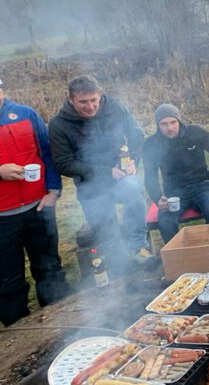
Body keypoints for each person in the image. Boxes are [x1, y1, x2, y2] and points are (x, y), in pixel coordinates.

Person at [48, 75, 154, 270]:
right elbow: (64, 163)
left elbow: (136, 135)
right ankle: (120, 264)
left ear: (100, 95)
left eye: (93, 100)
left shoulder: (115, 107)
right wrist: (106, 172)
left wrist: (133, 160)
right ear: (71, 99)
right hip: (90, 186)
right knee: (108, 234)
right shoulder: (59, 124)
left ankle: (138, 248)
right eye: (83, 102)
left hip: (121, 178)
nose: (90, 107)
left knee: (133, 189)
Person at [0, 76, 70, 326]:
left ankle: (61, 322)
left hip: (39, 206)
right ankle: (19, 333)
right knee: (8, 279)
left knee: (50, 268)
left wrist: (53, 190)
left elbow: (48, 153)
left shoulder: (26, 114)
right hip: (3, 216)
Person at [142, 103, 209, 243]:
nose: (169, 128)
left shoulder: (196, 132)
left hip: (202, 186)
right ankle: (178, 254)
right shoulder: (151, 144)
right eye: (164, 124)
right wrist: (157, 197)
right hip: (173, 193)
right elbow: (150, 175)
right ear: (157, 125)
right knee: (166, 224)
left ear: (179, 120)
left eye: (173, 122)